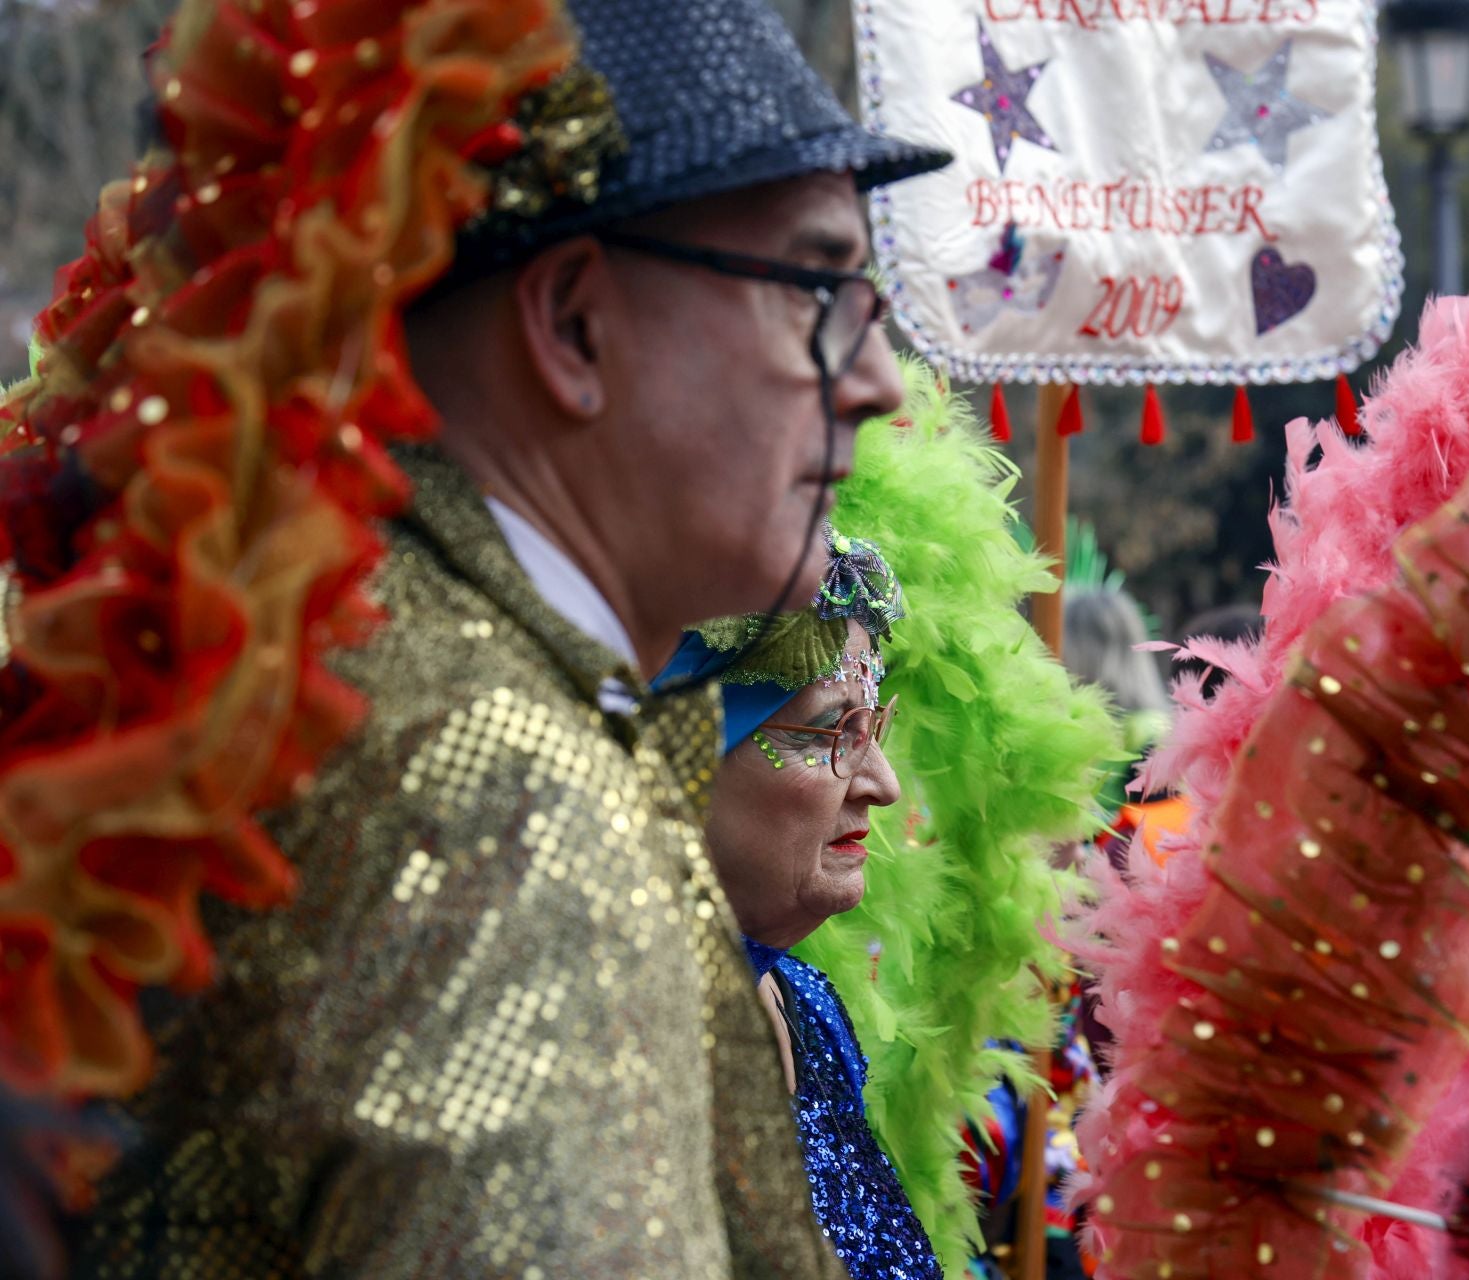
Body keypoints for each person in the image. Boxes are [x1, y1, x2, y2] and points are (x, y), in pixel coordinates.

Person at [0, 0, 948, 1275]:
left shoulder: (363, 667)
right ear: (570, 326)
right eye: (818, 288)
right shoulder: (496, 792)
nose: (876, 375)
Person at [659, 529, 942, 1280]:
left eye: (873, 728)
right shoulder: (620, 1032)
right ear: (684, 758)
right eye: (829, 733)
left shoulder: (806, 1001)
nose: (883, 784)